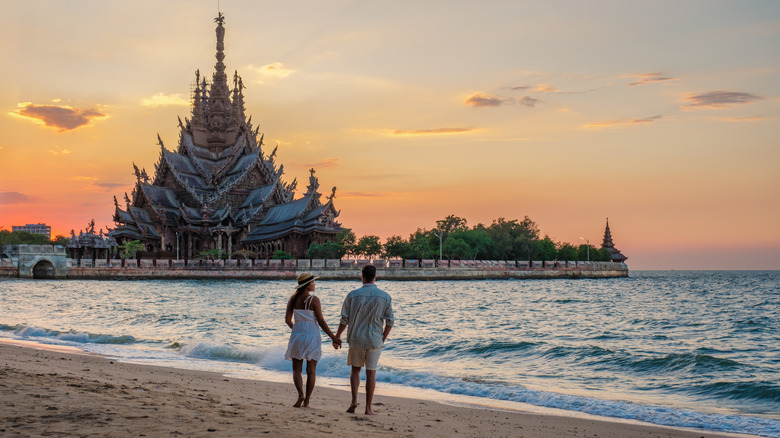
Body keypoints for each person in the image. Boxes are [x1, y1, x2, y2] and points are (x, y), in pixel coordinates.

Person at [335, 264, 394, 415]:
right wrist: (383, 338)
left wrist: (337, 336)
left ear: (362, 277)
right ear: (375, 277)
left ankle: (354, 401)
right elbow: (390, 322)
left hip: (356, 338)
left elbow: (344, 319)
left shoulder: (352, 295)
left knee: (355, 370)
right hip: (374, 339)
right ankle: (368, 408)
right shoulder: (385, 296)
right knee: (371, 373)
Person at [284, 272, 341, 407]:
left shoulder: (292, 300)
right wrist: (334, 337)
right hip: (313, 336)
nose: (314, 284)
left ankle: (300, 394)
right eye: (313, 282)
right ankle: (307, 401)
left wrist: (298, 331)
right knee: (311, 371)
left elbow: (287, 321)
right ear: (308, 285)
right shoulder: (314, 300)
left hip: (297, 335)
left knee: (296, 369)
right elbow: (321, 321)